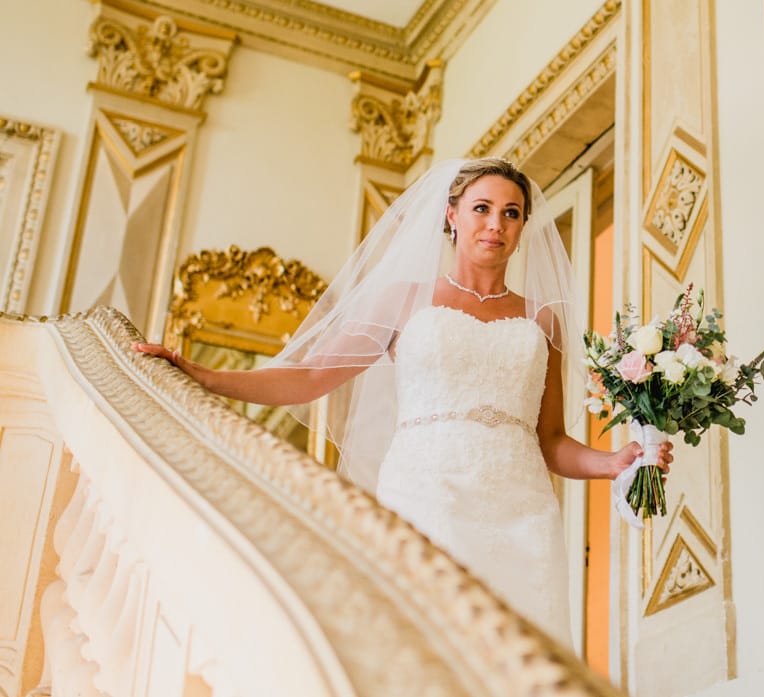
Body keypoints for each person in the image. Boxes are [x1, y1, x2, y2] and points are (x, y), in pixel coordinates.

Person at [133, 157, 670, 645]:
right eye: (481, 208)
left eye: (511, 213)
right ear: (451, 215)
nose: (495, 225)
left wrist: (612, 462)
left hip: (522, 509)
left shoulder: (541, 321)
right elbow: (310, 377)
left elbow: (550, 442)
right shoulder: (404, 299)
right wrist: (205, 376)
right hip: (425, 494)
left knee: (513, 655)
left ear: (523, 226)